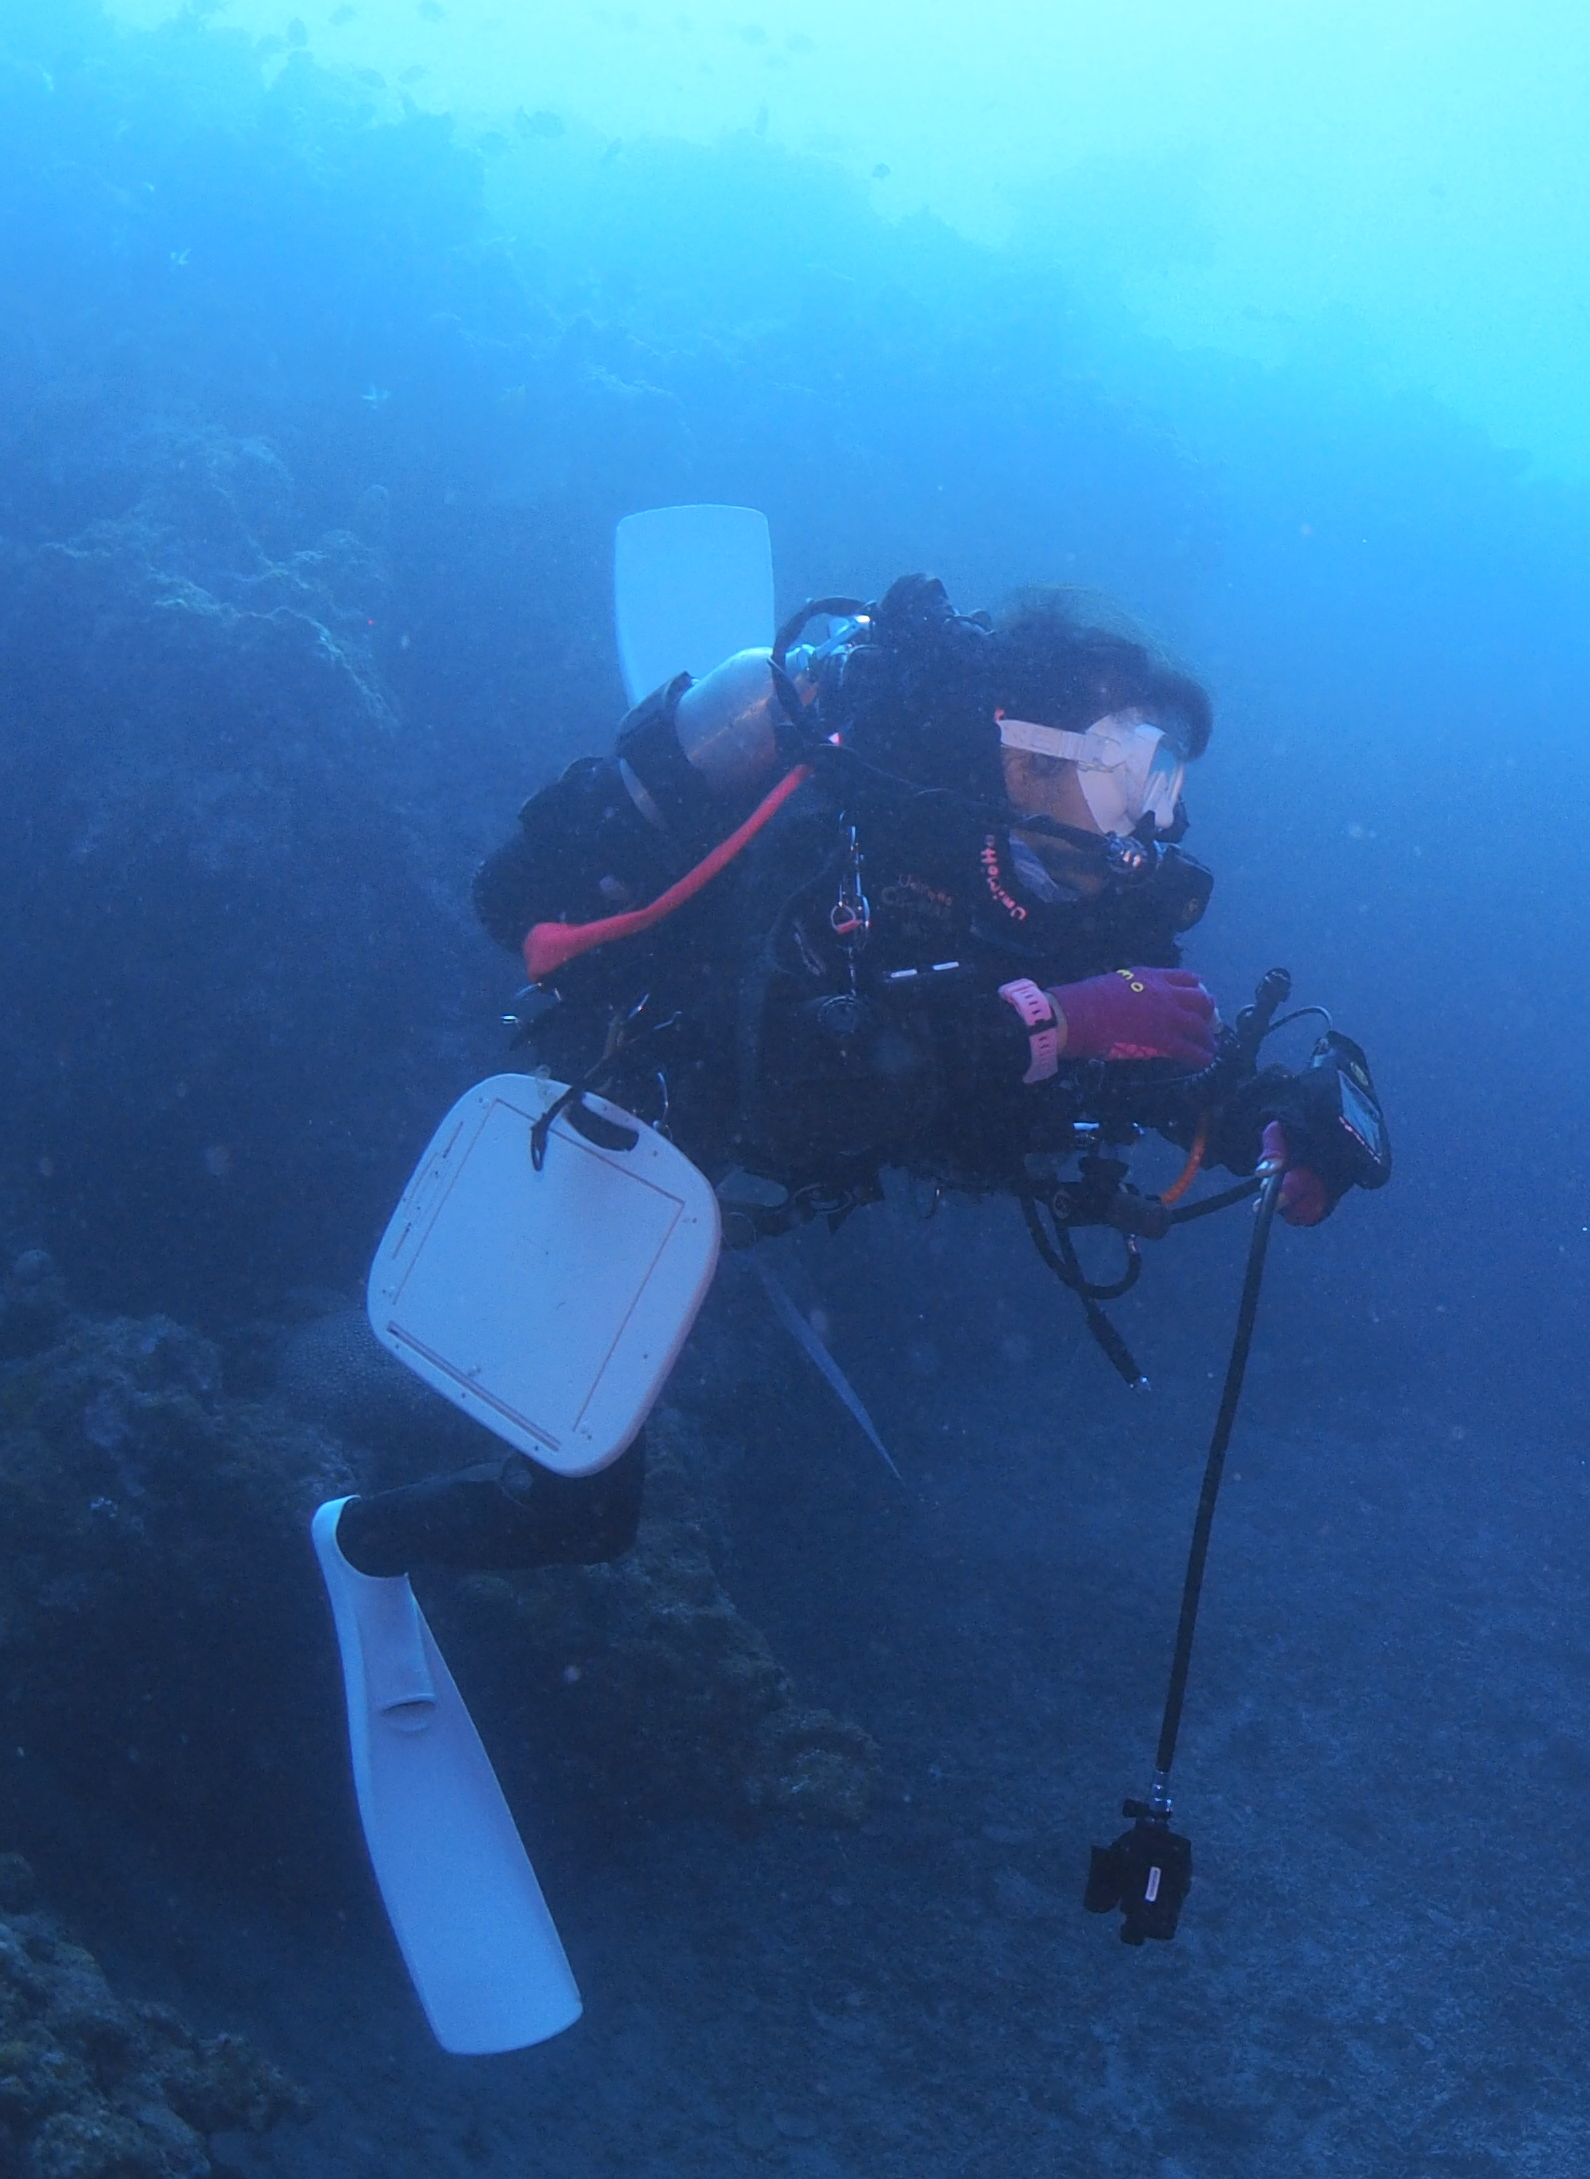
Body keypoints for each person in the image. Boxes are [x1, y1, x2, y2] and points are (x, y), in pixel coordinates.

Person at [331, 571, 1382, 1580]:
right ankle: (348, 1537)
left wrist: (1259, 1123)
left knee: (583, 1507)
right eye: (1135, 768)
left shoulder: (1096, 890)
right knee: (579, 1509)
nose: (1157, 816)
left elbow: (1141, 1053)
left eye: (1171, 776)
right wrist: (1057, 1020)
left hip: (837, 1129)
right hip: (667, 1094)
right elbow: (790, 1098)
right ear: (1025, 759)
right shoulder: (864, 827)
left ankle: (370, 1540)